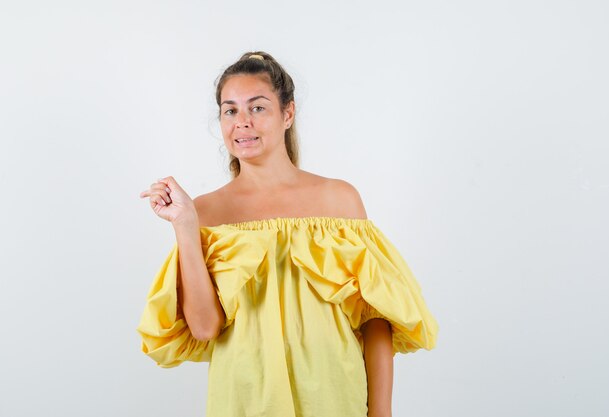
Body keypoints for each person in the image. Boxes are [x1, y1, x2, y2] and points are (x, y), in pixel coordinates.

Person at [136, 51, 439, 417]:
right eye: (230, 110)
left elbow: (376, 319)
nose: (242, 122)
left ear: (288, 114)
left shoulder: (338, 200)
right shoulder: (206, 212)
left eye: (258, 108)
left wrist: (381, 412)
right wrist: (185, 226)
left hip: (334, 398)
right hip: (244, 402)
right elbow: (204, 328)